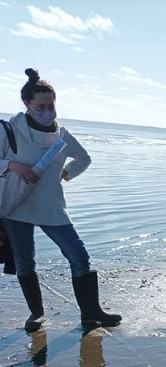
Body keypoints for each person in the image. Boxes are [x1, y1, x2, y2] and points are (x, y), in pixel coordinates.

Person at [1, 68, 121, 332]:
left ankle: (92, 313)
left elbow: (84, 158)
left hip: (51, 206)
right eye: (41, 106)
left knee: (79, 256)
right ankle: (36, 314)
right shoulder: (10, 130)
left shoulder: (61, 136)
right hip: (15, 206)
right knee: (25, 261)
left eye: (51, 105)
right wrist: (14, 165)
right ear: (27, 104)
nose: (47, 111)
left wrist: (68, 173)